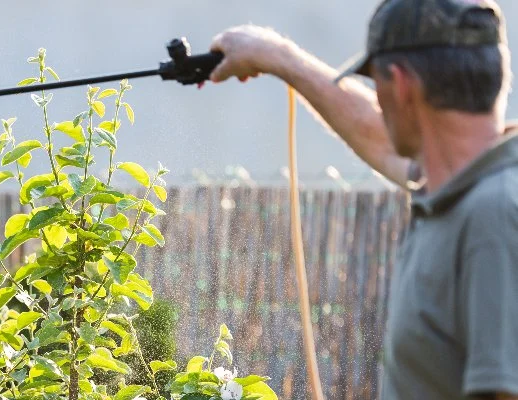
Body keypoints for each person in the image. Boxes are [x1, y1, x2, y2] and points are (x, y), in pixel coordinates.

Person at [207, 0, 518, 399]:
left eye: (376, 83)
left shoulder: (494, 216)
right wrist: (277, 57)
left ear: (402, 86)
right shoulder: (459, 190)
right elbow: (374, 132)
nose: (378, 103)